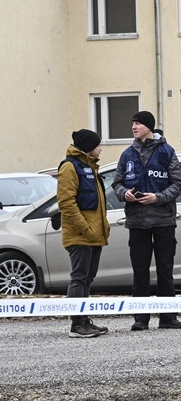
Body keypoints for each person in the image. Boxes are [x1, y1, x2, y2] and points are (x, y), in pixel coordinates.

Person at [111, 111, 181, 331]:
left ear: (149, 127)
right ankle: (140, 318)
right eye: (132, 123)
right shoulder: (127, 154)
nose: (134, 127)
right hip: (137, 221)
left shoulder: (166, 151)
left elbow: (179, 183)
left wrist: (158, 197)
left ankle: (168, 317)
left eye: (138, 123)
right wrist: (124, 193)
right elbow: (116, 183)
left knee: (165, 269)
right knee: (140, 270)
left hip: (163, 219)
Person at [58, 129, 110, 338]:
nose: (100, 148)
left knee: (87, 278)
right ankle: (77, 324)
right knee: (79, 278)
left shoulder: (90, 166)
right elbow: (66, 203)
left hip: (94, 235)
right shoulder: (70, 167)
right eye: (98, 145)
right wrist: (85, 229)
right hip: (81, 235)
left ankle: (84, 319)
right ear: (89, 147)